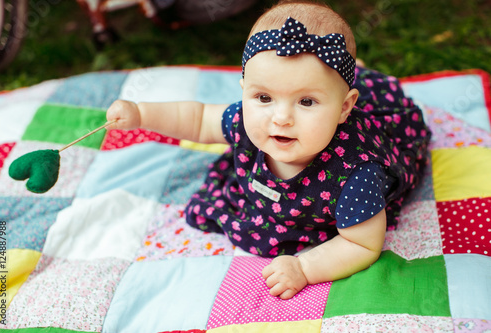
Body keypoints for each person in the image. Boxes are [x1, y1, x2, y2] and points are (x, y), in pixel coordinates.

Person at [106, 0, 431, 300]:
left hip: (370, 138)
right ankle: (342, 78)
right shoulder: (248, 123)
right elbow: (196, 118)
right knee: (323, 83)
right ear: (244, 90)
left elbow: (361, 243)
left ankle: (357, 76)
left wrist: (305, 268)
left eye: (306, 101)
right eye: (263, 97)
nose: (281, 118)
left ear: (345, 109)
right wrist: (141, 114)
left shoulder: (357, 175)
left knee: (372, 91)